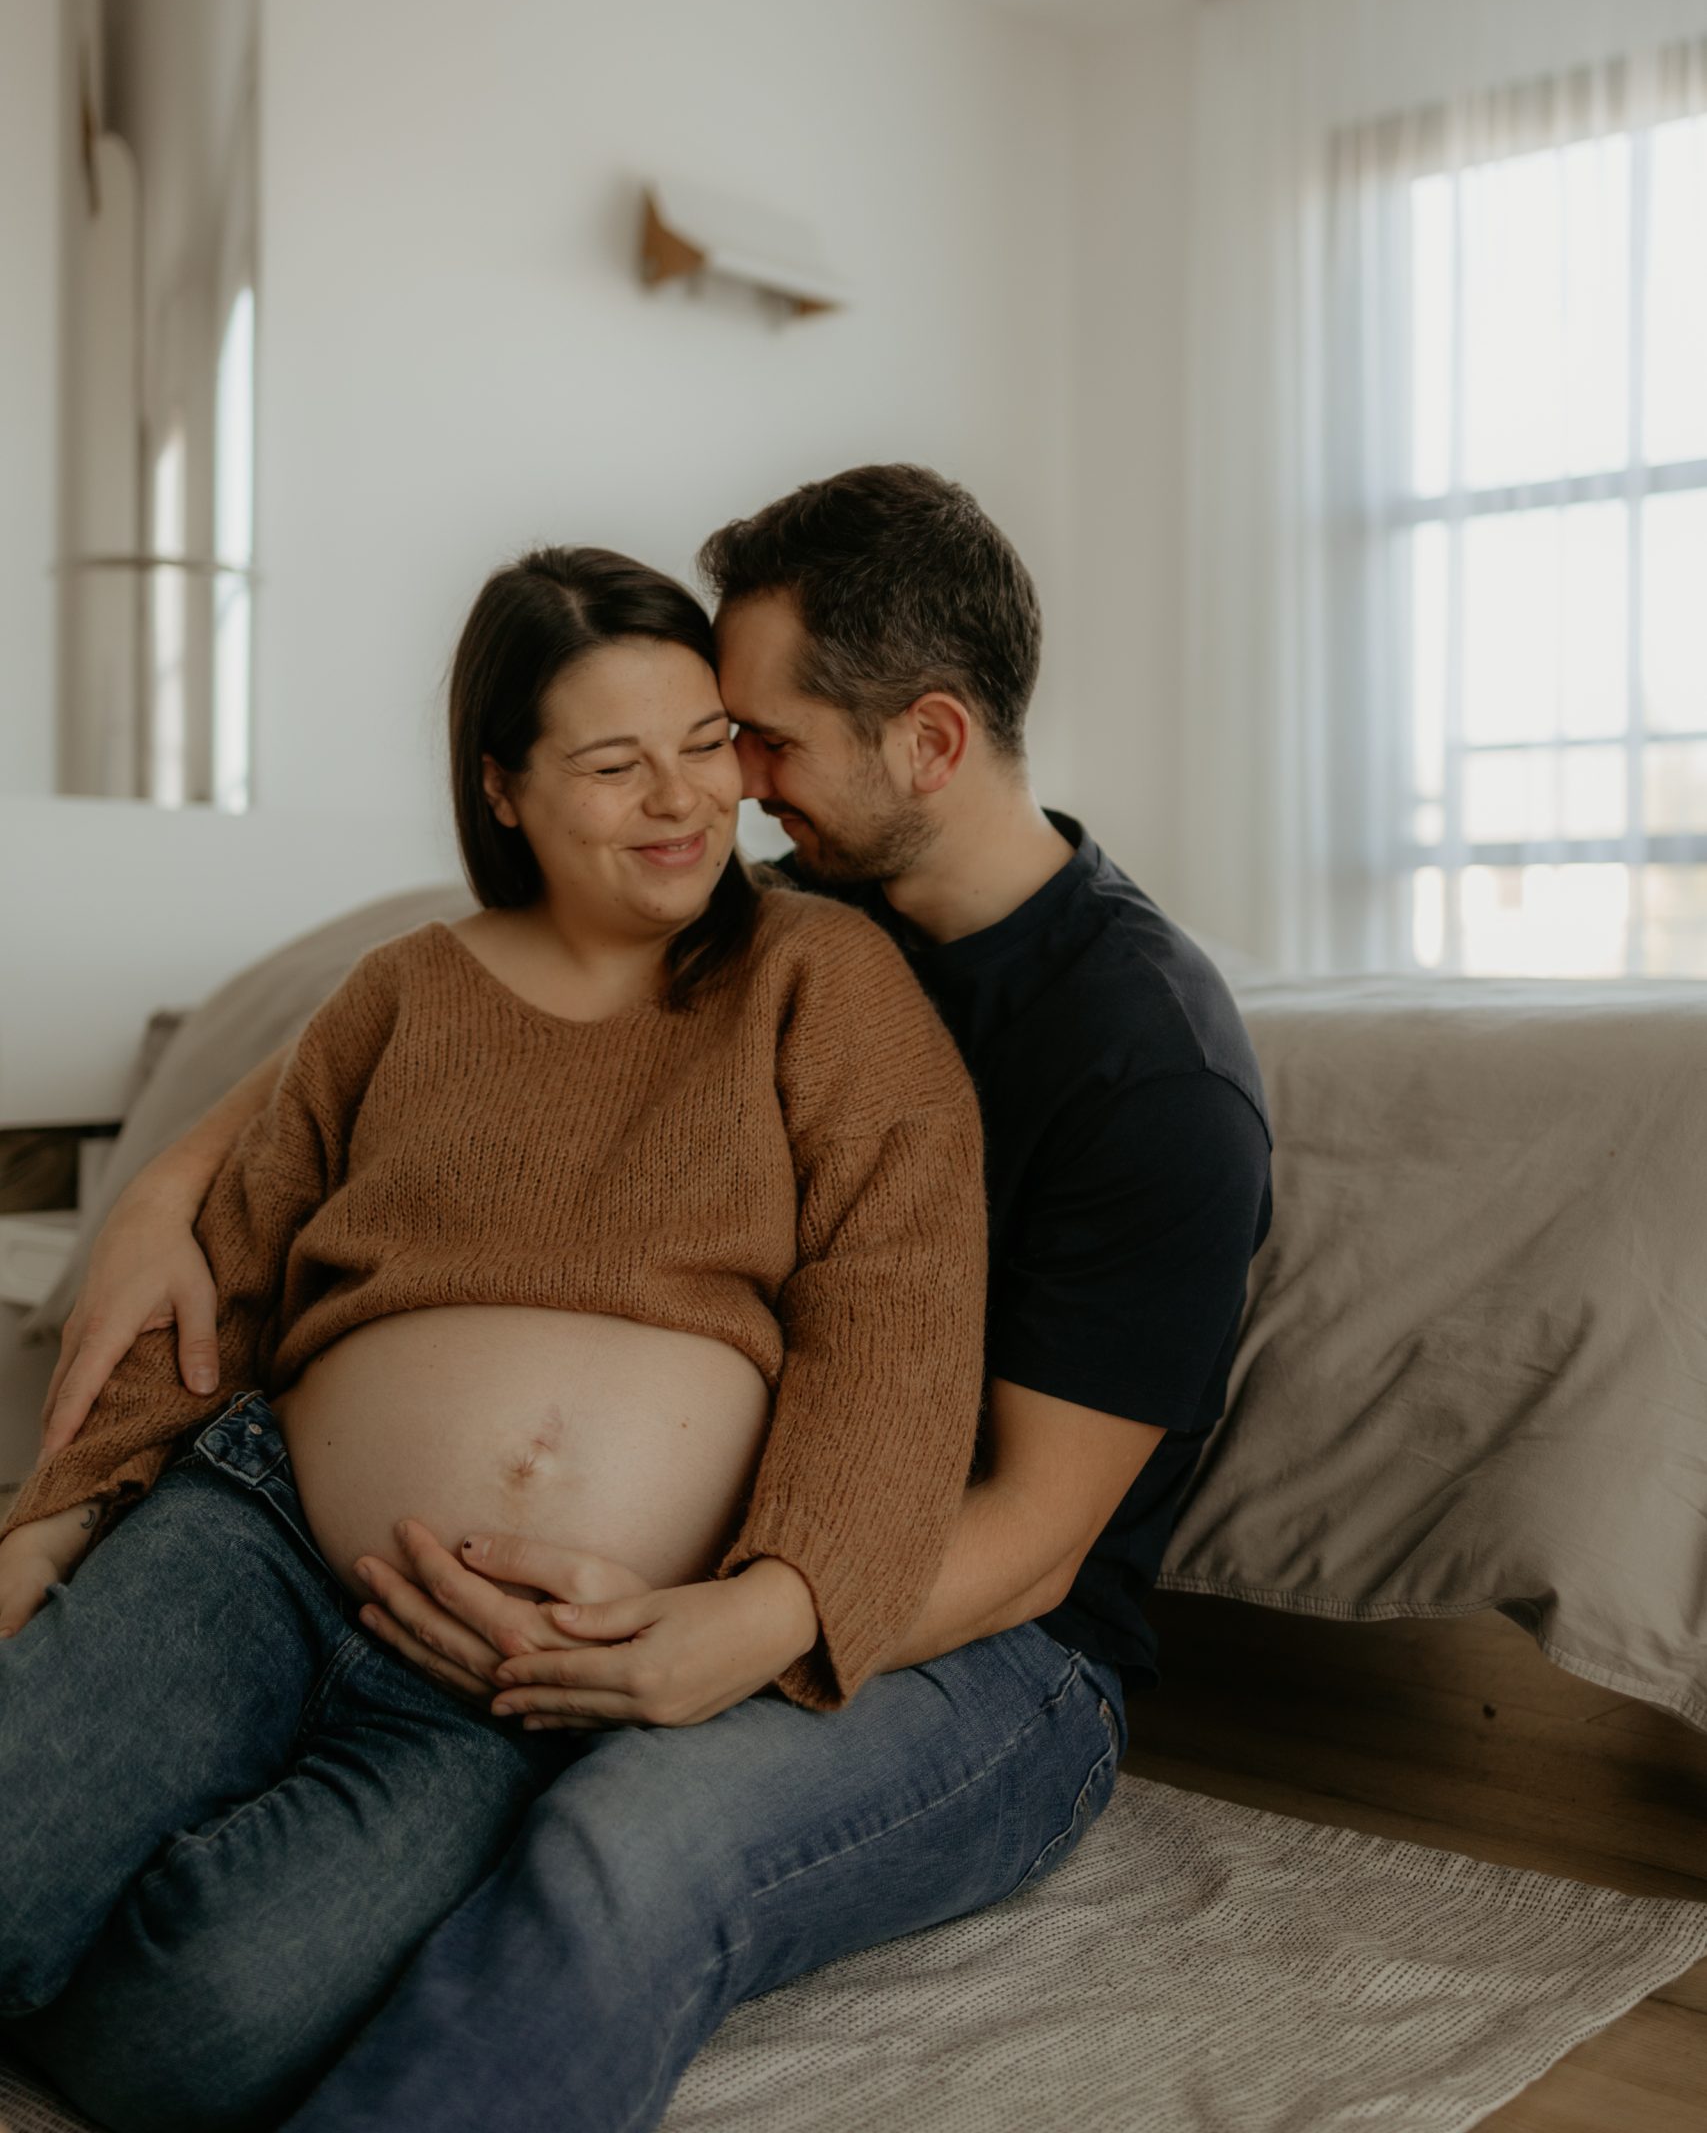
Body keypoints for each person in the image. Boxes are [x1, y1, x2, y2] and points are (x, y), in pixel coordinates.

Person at [37, 464, 1274, 2133]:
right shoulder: (780, 894)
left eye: (750, 741)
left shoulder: (1141, 1067)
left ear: (927, 741)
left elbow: (1021, 1515)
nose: (728, 793)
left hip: (989, 1638)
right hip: (358, 1538)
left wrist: (752, 1619)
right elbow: (396, 1046)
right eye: (681, 744)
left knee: (617, 1843)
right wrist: (163, 1191)